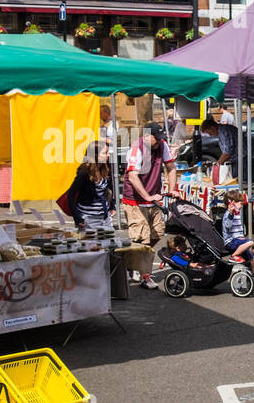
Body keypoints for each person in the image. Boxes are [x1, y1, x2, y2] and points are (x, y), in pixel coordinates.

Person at [122, 123, 175, 289]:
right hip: (135, 201)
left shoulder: (162, 145)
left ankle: (133, 262)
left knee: (158, 233)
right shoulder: (136, 150)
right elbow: (133, 177)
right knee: (142, 237)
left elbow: (171, 168)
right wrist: (147, 196)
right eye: (156, 138)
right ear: (146, 136)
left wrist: (173, 190)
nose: (159, 141)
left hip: (153, 200)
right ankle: (145, 276)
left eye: (160, 138)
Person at [66, 158, 116, 232]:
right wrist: (77, 218)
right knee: (91, 243)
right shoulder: (84, 173)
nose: (108, 154)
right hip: (89, 219)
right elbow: (70, 195)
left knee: (109, 242)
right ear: (96, 155)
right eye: (104, 152)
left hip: (105, 218)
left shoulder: (104, 169)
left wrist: (111, 206)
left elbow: (105, 191)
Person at [221, 189, 254, 272]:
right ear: (232, 203)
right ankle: (234, 256)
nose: (242, 206)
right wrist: (230, 214)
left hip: (238, 241)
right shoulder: (228, 214)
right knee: (250, 242)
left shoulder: (237, 214)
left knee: (252, 260)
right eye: (240, 204)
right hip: (231, 242)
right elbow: (228, 226)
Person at [201, 116, 240, 184]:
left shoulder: (223, 131)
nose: (211, 135)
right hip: (237, 158)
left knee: (236, 182)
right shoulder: (222, 131)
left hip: (241, 158)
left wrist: (217, 164)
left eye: (210, 133)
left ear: (213, 128)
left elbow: (227, 152)